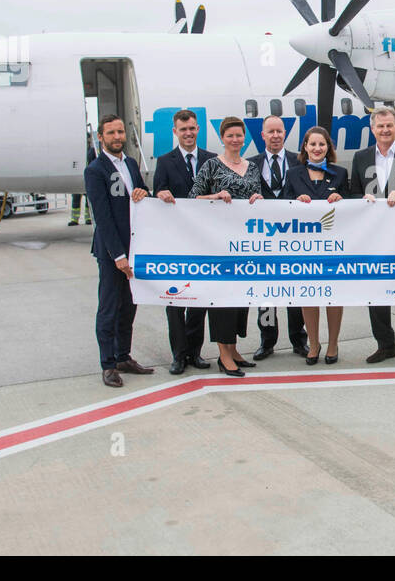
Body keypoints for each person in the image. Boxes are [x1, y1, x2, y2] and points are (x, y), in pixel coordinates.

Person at [348, 106, 395, 366]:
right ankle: (384, 345)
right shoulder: (360, 158)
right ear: (372, 129)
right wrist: (363, 197)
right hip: (373, 238)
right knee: (377, 292)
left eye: (389, 126)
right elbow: (352, 193)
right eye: (380, 126)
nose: (385, 130)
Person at [189, 116, 263, 377]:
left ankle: (233, 348)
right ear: (222, 138)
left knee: (241, 298)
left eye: (239, 135)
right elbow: (192, 198)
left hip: (246, 243)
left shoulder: (252, 166)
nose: (235, 139)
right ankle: (223, 354)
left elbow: (258, 195)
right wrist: (216, 196)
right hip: (219, 244)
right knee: (222, 299)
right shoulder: (211, 165)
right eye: (230, 135)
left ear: (245, 138)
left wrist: (258, 197)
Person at [84, 114, 153, 388]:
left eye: (120, 132)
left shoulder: (131, 164)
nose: (117, 137)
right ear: (101, 137)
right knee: (109, 308)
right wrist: (118, 256)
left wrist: (143, 193)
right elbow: (102, 217)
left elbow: (142, 193)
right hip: (113, 252)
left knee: (129, 307)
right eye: (111, 133)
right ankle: (108, 364)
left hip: (134, 247)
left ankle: (123, 355)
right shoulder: (96, 170)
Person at [152, 109, 217, 374]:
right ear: (175, 132)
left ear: (198, 129)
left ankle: (195, 351)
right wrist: (160, 193)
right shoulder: (165, 161)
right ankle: (178, 355)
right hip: (176, 242)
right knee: (175, 301)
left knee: (199, 300)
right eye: (183, 129)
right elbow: (157, 192)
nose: (188, 133)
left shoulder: (212, 159)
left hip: (203, 240)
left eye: (192, 128)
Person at [284, 126, 349, 365]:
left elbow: (353, 205)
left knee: (333, 296)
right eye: (313, 144)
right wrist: (295, 201)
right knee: (308, 295)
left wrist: (342, 199)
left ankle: (333, 344)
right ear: (305, 147)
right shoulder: (293, 174)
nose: (317, 148)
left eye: (322, 144)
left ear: (328, 148)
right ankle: (313, 343)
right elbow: (281, 206)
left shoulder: (340, 173)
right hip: (304, 248)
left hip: (333, 247)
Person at [247, 115, 309, 360]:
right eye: (270, 132)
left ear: (285, 134)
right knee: (266, 294)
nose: (275, 136)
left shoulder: (299, 161)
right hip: (264, 240)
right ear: (262, 135)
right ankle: (267, 339)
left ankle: (298, 338)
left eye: (279, 131)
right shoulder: (250, 164)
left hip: (294, 238)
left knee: (295, 291)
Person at [69, 135, 96, 226]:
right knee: (76, 200)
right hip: (78, 178)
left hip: (88, 179)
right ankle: (74, 219)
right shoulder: (77, 151)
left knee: (88, 201)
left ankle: (88, 218)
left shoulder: (92, 151)